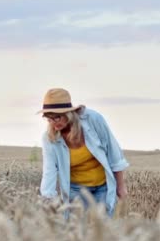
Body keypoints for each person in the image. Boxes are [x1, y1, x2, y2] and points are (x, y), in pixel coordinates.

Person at [38, 88, 129, 217]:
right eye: (48, 119)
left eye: (57, 118)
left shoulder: (93, 120)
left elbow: (114, 153)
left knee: (103, 230)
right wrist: (48, 202)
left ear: (68, 113)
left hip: (103, 187)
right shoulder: (49, 139)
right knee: (80, 230)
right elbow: (49, 171)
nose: (53, 123)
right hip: (75, 190)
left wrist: (121, 186)